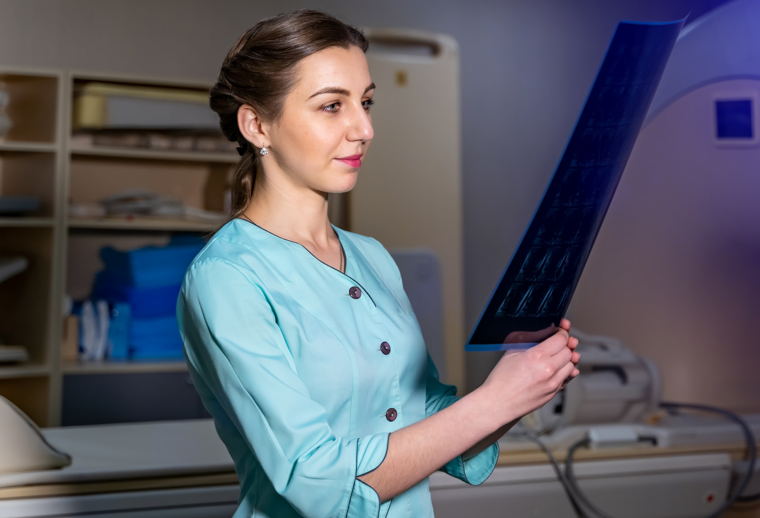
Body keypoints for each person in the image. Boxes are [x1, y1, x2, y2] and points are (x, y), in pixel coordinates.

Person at [177, 10, 580, 518]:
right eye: (331, 106)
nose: (364, 128)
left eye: (365, 103)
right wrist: (495, 401)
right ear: (257, 124)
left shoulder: (370, 256)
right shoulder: (227, 279)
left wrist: (520, 385)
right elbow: (317, 484)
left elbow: (435, 422)